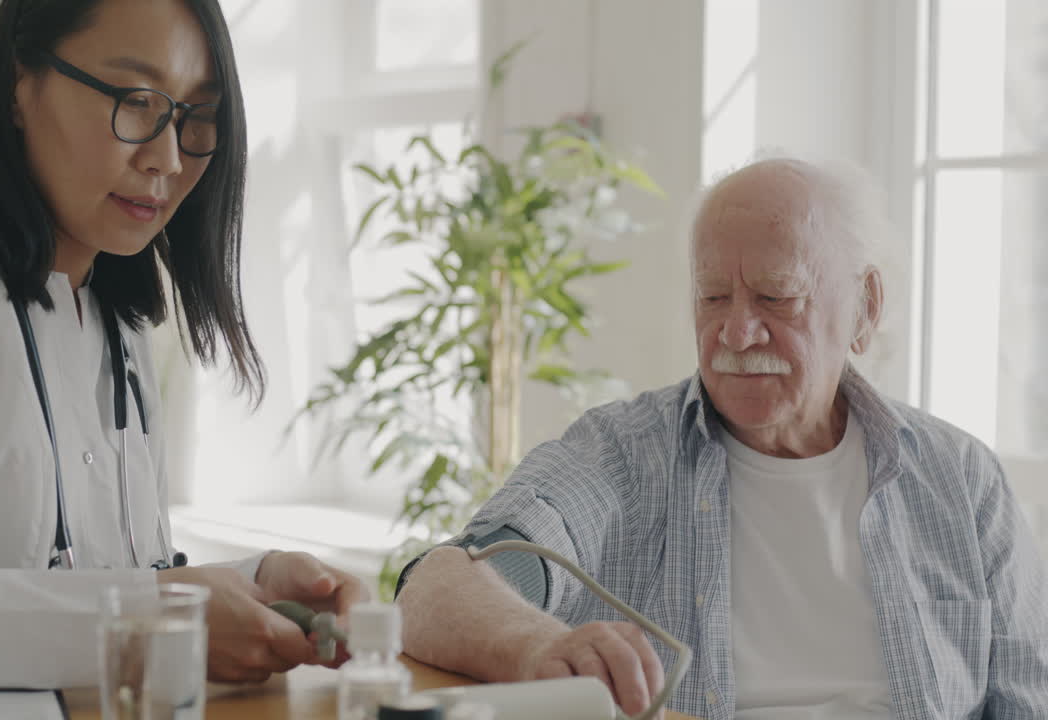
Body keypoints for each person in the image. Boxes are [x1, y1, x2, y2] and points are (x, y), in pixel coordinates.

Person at [0, 0, 366, 696]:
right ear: (17, 84)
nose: (167, 157)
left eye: (194, 117)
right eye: (134, 100)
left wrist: (253, 586)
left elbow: (108, 576)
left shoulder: (113, 312)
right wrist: (159, 615)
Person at [395, 157, 1048, 720]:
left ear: (865, 307)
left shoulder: (962, 479)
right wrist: (533, 644)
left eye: (775, 296)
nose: (737, 333)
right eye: (713, 297)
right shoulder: (621, 456)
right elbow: (439, 583)